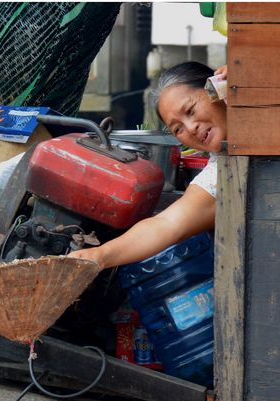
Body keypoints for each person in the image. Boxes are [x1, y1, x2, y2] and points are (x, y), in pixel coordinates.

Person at [70, 62, 228, 269]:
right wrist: (98, 256)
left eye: (190, 110)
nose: (191, 128)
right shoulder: (218, 175)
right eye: (178, 129)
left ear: (218, 88)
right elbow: (165, 225)